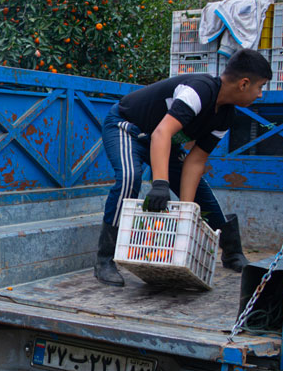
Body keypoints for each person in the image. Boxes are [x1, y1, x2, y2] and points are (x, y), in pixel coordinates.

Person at [94, 48, 272, 287]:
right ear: (244, 83)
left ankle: (231, 252)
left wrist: (185, 214)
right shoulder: (199, 91)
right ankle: (105, 259)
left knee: (202, 197)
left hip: (158, 141)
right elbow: (162, 132)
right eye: (260, 87)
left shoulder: (226, 116)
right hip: (127, 128)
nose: (260, 94)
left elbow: (195, 161)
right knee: (129, 178)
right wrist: (160, 184)